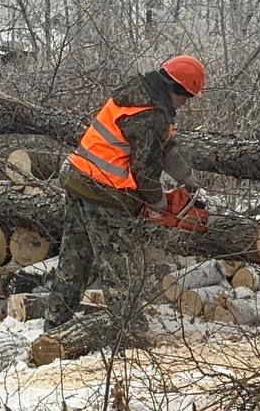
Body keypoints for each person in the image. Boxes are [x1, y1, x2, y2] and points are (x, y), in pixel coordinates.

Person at [44, 54, 206, 327]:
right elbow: (145, 171)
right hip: (102, 191)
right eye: (186, 97)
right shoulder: (152, 114)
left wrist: (188, 180)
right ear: (177, 90)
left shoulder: (137, 93)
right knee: (119, 267)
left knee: (75, 257)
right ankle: (130, 331)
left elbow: (163, 146)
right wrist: (159, 204)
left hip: (76, 175)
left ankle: (55, 324)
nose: (185, 104)